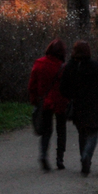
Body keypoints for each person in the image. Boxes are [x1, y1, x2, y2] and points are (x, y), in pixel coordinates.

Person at [58, 41, 98, 176]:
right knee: (93, 132)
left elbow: (63, 88)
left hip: (78, 105)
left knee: (82, 133)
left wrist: (71, 96)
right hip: (94, 104)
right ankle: (87, 156)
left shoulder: (70, 67)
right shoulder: (95, 67)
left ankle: (84, 157)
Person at [28, 38, 70, 171]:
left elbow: (32, 84)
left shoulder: (39, 63)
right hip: (61, 101)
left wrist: (34, 99)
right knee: (61, 130)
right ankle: (60, 159)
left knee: (46, 130)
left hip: (45, 101)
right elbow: (68, 87)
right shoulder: (63, 67)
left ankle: (43, 155)